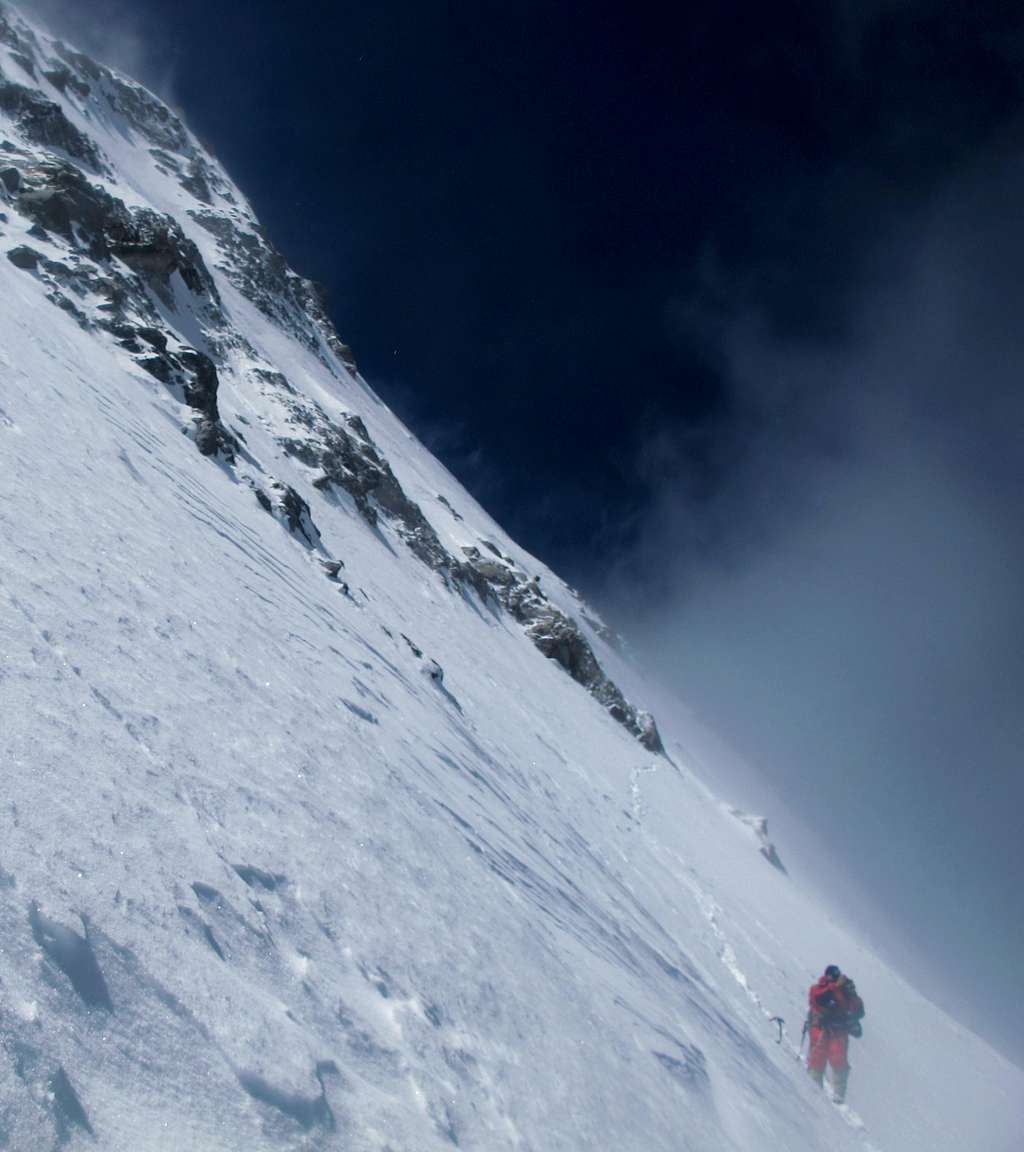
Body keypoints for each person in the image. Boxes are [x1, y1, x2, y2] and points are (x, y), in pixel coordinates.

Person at [806, 964, 865, 1103]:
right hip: (820, 1027)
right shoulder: (819, 989)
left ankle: (838, 1095)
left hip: (838, 1030)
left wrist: (853, 994)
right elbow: (819, 999)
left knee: (838, 1058)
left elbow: (859, 1011)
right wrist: (835, 987)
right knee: (818, 1057)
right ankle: (812, 1088)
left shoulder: (845, 993)